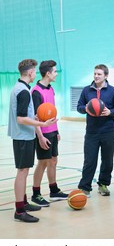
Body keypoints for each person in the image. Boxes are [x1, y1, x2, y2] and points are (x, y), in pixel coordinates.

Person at [8, 59, 57, 223]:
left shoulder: (20, 88)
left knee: (24, 171)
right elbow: (21, 119)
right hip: (23, 137)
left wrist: (34, 118)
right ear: (30, 73)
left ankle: (24, 202)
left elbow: (24, 116)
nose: (35, 73)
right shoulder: (23, 91)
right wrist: (41, 123)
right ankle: (20, 211)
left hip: (24, 136)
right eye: (34, 71)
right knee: (22, 172)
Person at [77, 64, 114, 197]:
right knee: (90, 159)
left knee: (107, 159)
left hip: (108, 131)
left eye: (99, 74)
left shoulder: (113, 91)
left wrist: (110, 112)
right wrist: (85, 108)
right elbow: (79, 106)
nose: (96, 76)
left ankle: (103, 184)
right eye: (95, 74)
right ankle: (85, 187)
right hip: (92, 131)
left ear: (106, 76)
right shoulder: (87, 90)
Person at [31, 60, 68, 207]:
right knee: (42, 163)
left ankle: (54, 190)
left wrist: (56, 130)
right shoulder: (36, 92)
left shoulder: (51, 89)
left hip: (52, 132)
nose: (56, 74)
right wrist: (40, 136)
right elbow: (34, 117)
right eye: (54, 71)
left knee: (53, 161)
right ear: (48, 73)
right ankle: (36, 194)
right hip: (42, 133)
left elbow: (51, 112)